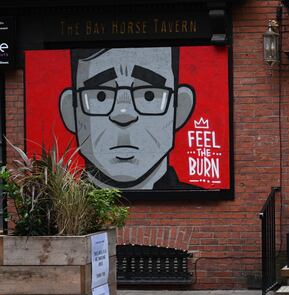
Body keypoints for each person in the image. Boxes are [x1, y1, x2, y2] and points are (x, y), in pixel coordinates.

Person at [59, 47, 198, 190]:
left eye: (148, 95)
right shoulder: (61, 208)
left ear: (180, 109)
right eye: (101, 96)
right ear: (71, 112)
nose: (123, 114)